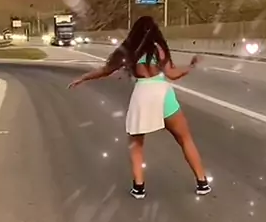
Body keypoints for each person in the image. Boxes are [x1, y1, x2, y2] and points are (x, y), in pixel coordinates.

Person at [68, 16, 211, 199]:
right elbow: (172, 74)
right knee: (185, 139)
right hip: (163, 95)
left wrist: (83, 78)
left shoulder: (129, 51)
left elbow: (105, 70)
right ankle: (202, 182)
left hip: (142, 95)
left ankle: (138, 187)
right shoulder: (159, 49)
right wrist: (191, 66)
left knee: (136, 144)